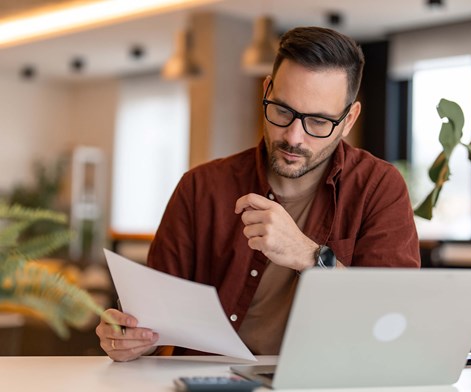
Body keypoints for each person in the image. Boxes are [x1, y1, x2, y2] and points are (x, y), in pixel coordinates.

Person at [96, 26, 420, 362]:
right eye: (282, 111)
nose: (294, 137)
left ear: (349, 119)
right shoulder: (200, 188)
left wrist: (309, 257)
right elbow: (153, 318)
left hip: (324, 383)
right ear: (266, 90)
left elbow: (392, 319)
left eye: (319, 122)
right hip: (209, 385)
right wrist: (132, 338)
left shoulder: (379, 187)